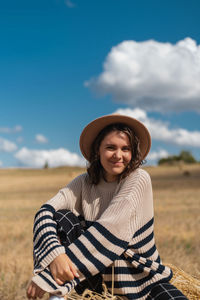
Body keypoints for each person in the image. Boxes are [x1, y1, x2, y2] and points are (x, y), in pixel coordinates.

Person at [27, 114, 188, 300]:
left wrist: (48, 278)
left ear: (133, 153)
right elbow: (45, 212)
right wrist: (55, 255)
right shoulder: (83, 182)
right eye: (111, 147)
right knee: (61, 216)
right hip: (96, 282)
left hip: (142, 280)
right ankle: (59, 296)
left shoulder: (139, 179)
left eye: (125, 149)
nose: (118, 155)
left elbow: (111, 231)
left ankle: (59, 283)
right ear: (98, 151)